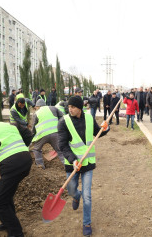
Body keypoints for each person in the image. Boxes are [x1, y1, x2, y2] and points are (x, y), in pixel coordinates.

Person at [57, 96, 110, 236]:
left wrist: (106, 128)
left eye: (73, 107)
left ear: (80, 108)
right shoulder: (63, 122)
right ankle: (76, 196)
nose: (70, 109)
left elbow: (97, 132)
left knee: (87, 196)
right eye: (68, 107)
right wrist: (73, 160)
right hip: (72, 164)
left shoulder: (88, 118)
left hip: (87, 163)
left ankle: (86, 222)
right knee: (71, 190)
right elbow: (62, 145)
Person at [31, 99, 64, 169]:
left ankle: (40, 166)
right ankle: (67, 166)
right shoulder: (53, 108)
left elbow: (33, 127)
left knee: (36, 149)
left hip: (42, 135)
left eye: (36, 107)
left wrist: (31, 137)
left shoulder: (36, 113)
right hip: (55, 133)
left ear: (38, 106)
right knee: (60, 150)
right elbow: (62, 117)